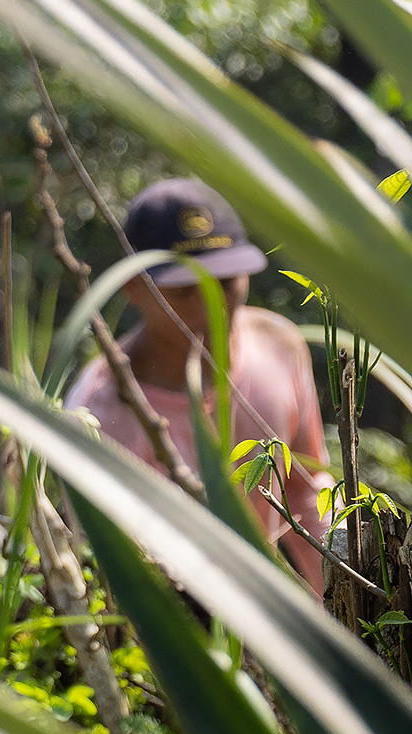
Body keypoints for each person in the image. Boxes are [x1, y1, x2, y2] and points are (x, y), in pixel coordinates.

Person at [63, 179, 330, 588]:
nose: (214, 305)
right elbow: (111, 566)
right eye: (187, 290)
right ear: (135, 288)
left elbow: (306, 490)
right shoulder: (101, 411)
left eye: (226, 283)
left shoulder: (279, 346)